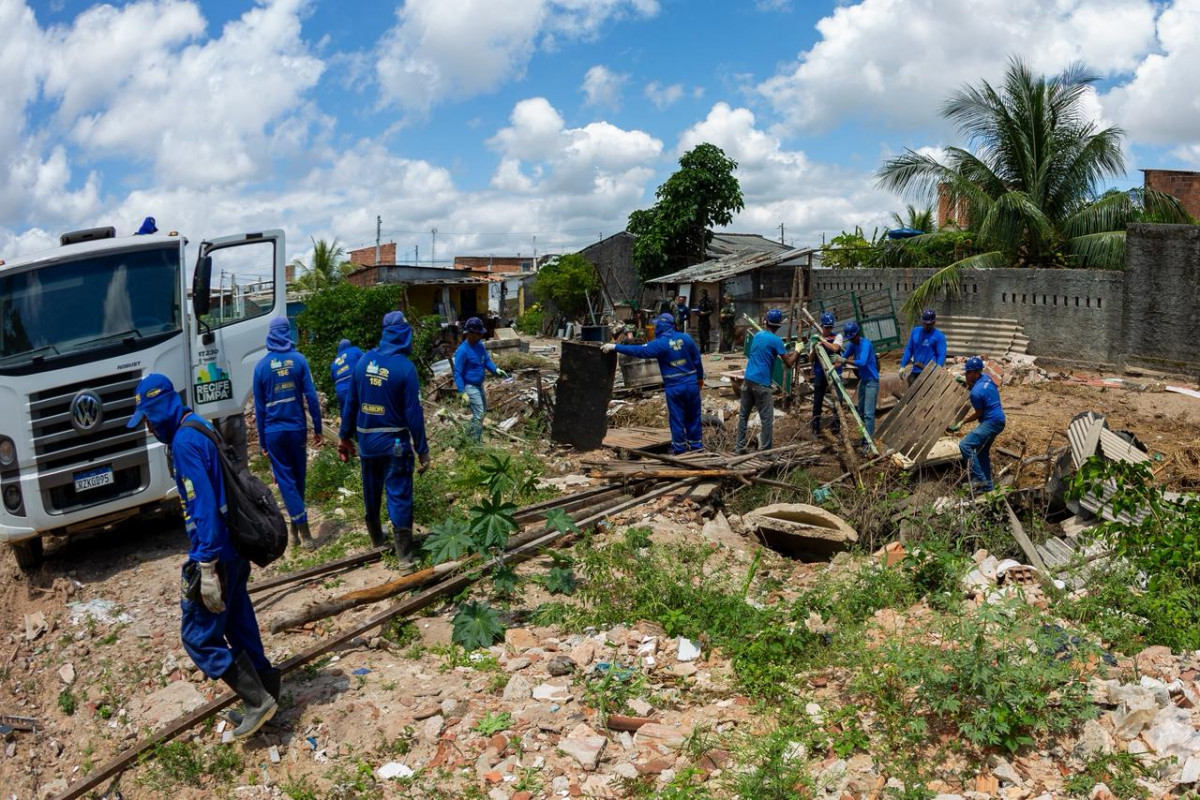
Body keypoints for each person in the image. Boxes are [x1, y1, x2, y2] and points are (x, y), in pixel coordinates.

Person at [127, 374, 278, 739]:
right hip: (233, 547)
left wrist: (207, 565)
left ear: (160, 410)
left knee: (198, 636)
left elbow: (205, 506)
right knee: (238, 622)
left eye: (147, 419)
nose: (147, 428)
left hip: (216, 552)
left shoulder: (184, 443)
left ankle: (257, 700)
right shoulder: (197, 427)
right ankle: (269, 689)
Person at [338, 311, 430, 561]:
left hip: (367, 442)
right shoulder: (405, 368)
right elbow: (414, 415)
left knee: (371, 490)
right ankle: (405, 558)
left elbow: (351, 404)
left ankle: (377, 538)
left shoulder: (364, 362)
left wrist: (344, 437)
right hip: (395, 444)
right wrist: (422, 449)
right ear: (404, 334)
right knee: (399, 493)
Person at [253, 318, 322, 549]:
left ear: (270, 335)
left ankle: (299, 531)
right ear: (287, 333)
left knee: (287, 482)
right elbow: (311, 397)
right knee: (298, 479)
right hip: (296, 429)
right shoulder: (299, 360)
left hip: (274, 432)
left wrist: (262, 441)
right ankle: (302, 532)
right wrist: (318, 428)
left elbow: (260, 409)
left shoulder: (261, 367)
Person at [603, 313, 704, 454]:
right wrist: (700, 378)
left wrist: (615, 347)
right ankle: (696, 447)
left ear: (661, 326)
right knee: (693, 417)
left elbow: (639, 351)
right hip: (692, 385)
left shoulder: (660, 344)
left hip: (674, 387)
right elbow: (697, 360)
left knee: (677, 418)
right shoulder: (686, 338)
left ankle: (680, 449)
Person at [736, 309, 800, 454]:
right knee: (766, 419)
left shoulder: (758, 335)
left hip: (748, 379)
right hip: (761, 384)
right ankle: (766, 452)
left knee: (743, 416)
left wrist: (785, 349)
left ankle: (739, 447)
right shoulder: (776, 340)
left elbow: (766, 352)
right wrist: (797, 350)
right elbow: (789, 363)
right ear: (779, 325)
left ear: (766, 322)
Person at [952, 356, 1006, 492]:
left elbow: (979, 414)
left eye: (968, 372)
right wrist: (966, 381)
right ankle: (987, 487)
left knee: (965, 445)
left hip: (991, 422)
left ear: (976, 373)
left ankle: (980, 479)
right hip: (999, 420)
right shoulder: (986, 378)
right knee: (981, 453)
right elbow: (980, 385)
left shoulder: (976, 393)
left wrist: (962, 422)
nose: (966, 374)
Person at [453, 316, 509, 442]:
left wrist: (495, 369)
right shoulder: (462, 351)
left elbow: (486, 361)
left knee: (481, 413)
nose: (481, 336)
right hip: (470, 386)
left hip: (479, 385)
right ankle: (475, 443)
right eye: (478, 334)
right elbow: (457, 373)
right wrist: (462, 392)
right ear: (470, 333)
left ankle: (467, 436)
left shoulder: (480, 346)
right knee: (479, 414)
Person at [841, 321, 879, 452]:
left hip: (872, 381)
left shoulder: (865, 344)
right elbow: (843, 356)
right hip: (863, 380)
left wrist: (844, 361)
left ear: (857, 334)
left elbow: (862, 362)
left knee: (869, 414)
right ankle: (864, 439)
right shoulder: (852, 344)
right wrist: (836, 361)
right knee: (860, 412)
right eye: (849, 338)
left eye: (852, 337)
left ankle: (869, 443)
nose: (851, 340)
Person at [809, 311, 844, 438]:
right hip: (820, 372)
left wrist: (822, 341)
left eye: (830, 327)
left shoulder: (837, 337)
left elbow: (835, 348)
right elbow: (811, 359)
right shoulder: (815, 339)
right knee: (817, 401)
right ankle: (815, 428)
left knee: (838, 400)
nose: (828, 329)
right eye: (826, 327)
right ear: (822, 326)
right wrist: (815, 346)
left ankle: (836, 428)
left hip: (835, 372)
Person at [900, 308, 947, 385]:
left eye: (929, 324)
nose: (927, 326)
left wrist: (936, 371)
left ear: (934, 322)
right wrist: (903, 365)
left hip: (929, 373)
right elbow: (909, 349)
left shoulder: (939, 336)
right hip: (915, 371)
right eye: (925, 324)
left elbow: (941, 355)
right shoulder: (915, 332)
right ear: (922, 321)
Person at [330, 339, 364, 434]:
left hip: (341, 390)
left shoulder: (334, 363)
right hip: (354, 385)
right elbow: (366, 362)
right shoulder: (355, 350)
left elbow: (333, 378)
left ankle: (346, 436)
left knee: (346, 413)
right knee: (360, 411)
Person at [696, 290, 714, 354]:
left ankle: (707, 350)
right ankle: (702, 349)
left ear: (704, 294)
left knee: (706, 335)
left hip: (705, 320)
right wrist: (697, 312)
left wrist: (704, 313)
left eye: (701, 293)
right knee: (700, 335)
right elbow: (699, 309)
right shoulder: (701, 301)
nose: (700, 295)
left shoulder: (708, 301)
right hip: (700, 320)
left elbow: (711, 310)